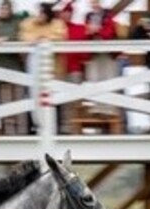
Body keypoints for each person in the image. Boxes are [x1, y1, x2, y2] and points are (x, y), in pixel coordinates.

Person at [0, 0, 30, 134]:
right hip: (0, 66)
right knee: (4, 101)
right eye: (1, 8)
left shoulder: (18, 21)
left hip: (16, 66)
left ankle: (21, 133)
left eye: (6, 8)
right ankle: (9, 133)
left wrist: (6, 40)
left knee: (19, 102)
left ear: (11, 9)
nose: (3, 11)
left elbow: (21, 37)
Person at [56, 1, 88, 134]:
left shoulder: (79, 28)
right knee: (60, 100)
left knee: (74, 100)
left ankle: (74, 128)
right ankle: (63, 128)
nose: (66, 15)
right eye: (64, 13)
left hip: (75, 69)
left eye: (69, 13)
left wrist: (84, 66)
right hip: (59, 69)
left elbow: (86, 50)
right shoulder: (55, 29)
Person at [83, 0, 118, 117]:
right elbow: (86, 31)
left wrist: (97, 30)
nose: (94, 4)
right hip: (93, 51)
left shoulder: (107, 15)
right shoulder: (88, 16)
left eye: (96, 2)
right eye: (92, 2)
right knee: (94, 78)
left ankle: (109, 109)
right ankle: (97, 107)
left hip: (107, 51)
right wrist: (90, 31)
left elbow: (110, 31)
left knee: (108, 78)